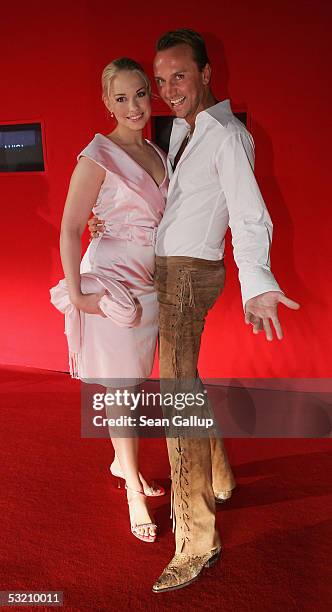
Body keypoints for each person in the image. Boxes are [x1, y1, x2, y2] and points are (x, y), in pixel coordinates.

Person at [88, 28, 299, 592]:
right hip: (165, 271)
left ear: (207, 73)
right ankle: (223, 479)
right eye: (159, 82)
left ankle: (196, 542)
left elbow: (250, 215)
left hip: (186, 278)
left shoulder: (226, 135)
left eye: (178, 76)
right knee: (187, 381)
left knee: (177, 394)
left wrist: (258, 282)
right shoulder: (182, 132)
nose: (167, 90)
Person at [51, 57, 170, 543]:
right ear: (107, 103)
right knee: (121, 391)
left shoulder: (160, 154)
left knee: (134, 385)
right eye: (121, 98)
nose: (134, 106)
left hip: (150, 284)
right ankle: (133, 496)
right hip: (112, 285)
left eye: (141, 93)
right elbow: (70, 227)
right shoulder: (96, 155)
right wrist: (77, 294)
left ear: (151, 93)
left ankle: (125, 464)